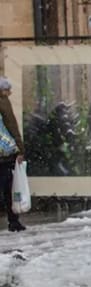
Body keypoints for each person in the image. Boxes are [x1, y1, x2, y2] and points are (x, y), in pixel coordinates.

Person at [0, 77, 26, 232]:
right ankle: (13, 221)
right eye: (7, 90)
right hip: (4, 154)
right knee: (9, 188)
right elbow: (12, 126)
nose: (10, 92)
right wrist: (21, 149)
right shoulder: (3, 102)